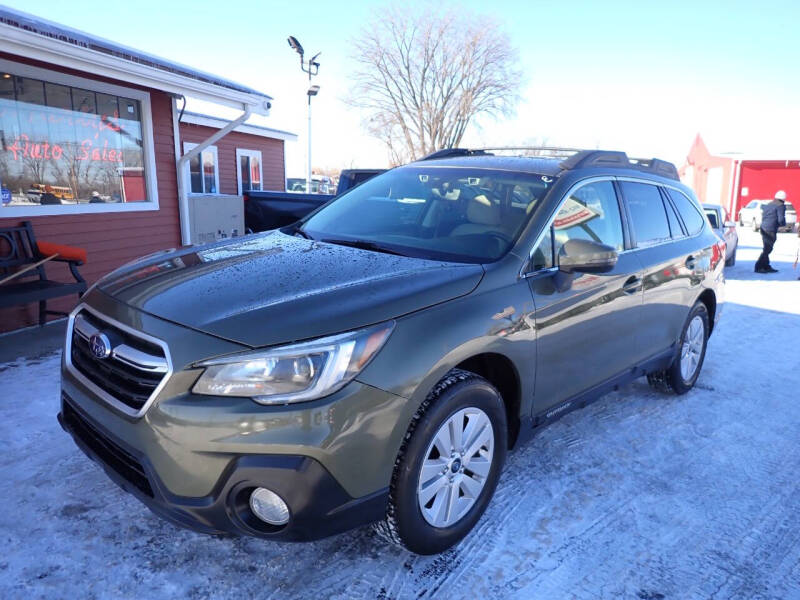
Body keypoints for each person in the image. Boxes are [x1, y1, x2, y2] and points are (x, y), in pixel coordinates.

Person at [754, 190, 787, 273]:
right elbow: (781, 219)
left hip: (763, 228)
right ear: (783, 199)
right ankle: (758, 267)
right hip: (771, 229)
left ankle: (766, 266)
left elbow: (764, 215)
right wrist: (783, 224)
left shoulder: (769, 204)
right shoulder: (780, 206)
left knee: (767, 248)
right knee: (767, 249)